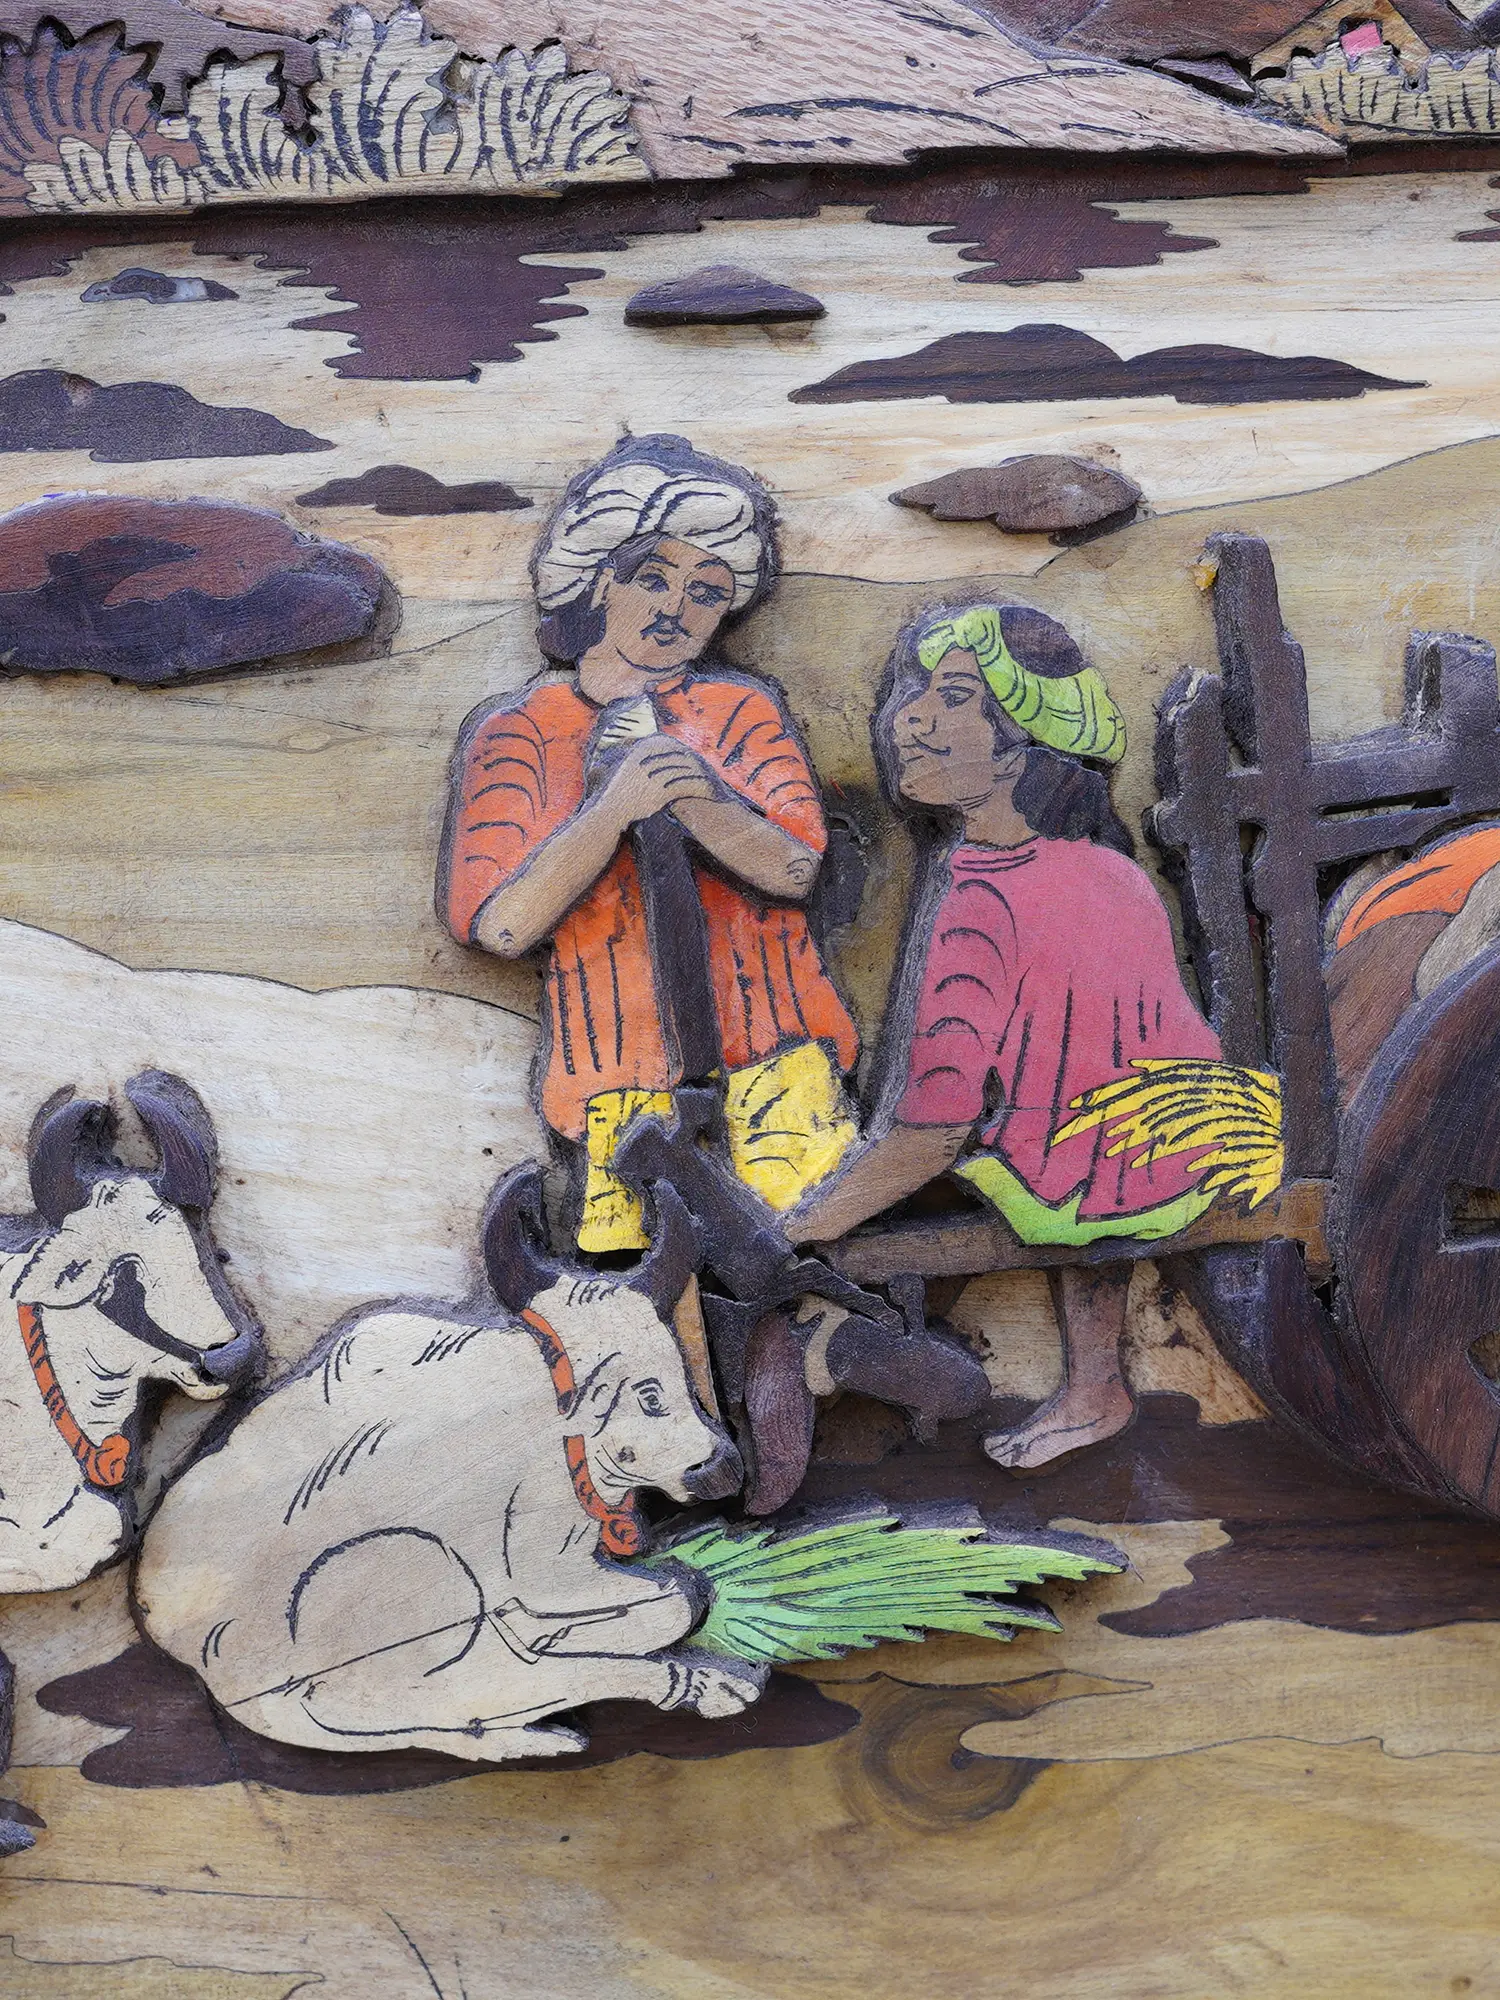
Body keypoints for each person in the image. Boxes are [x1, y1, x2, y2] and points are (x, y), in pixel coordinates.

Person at [439, 435, 984, 1482]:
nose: (676, 608)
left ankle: (827, 1361)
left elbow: (792, 864)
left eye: (707, 590)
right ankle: (708, 1445)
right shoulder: (524, 730)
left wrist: (696, 795)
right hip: (620, 1065)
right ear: (597, 578)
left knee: (804, 1225)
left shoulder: (738, 711)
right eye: (653, 576)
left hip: (772, 1041)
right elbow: (501, 924)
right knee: (662, 1273)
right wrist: (611, 808)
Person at [786, 601, 1282, 1469]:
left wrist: (798, 1226)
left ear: (1023, 744)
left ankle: (879, 1362)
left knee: (925, 1177)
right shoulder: (1110, 868)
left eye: (952, 698)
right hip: (1168, 1145)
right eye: (913, 692)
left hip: (1108, 1166)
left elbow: (933, 1124)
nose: (909, 719)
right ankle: (1092, 1384)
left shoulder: (983, 893)